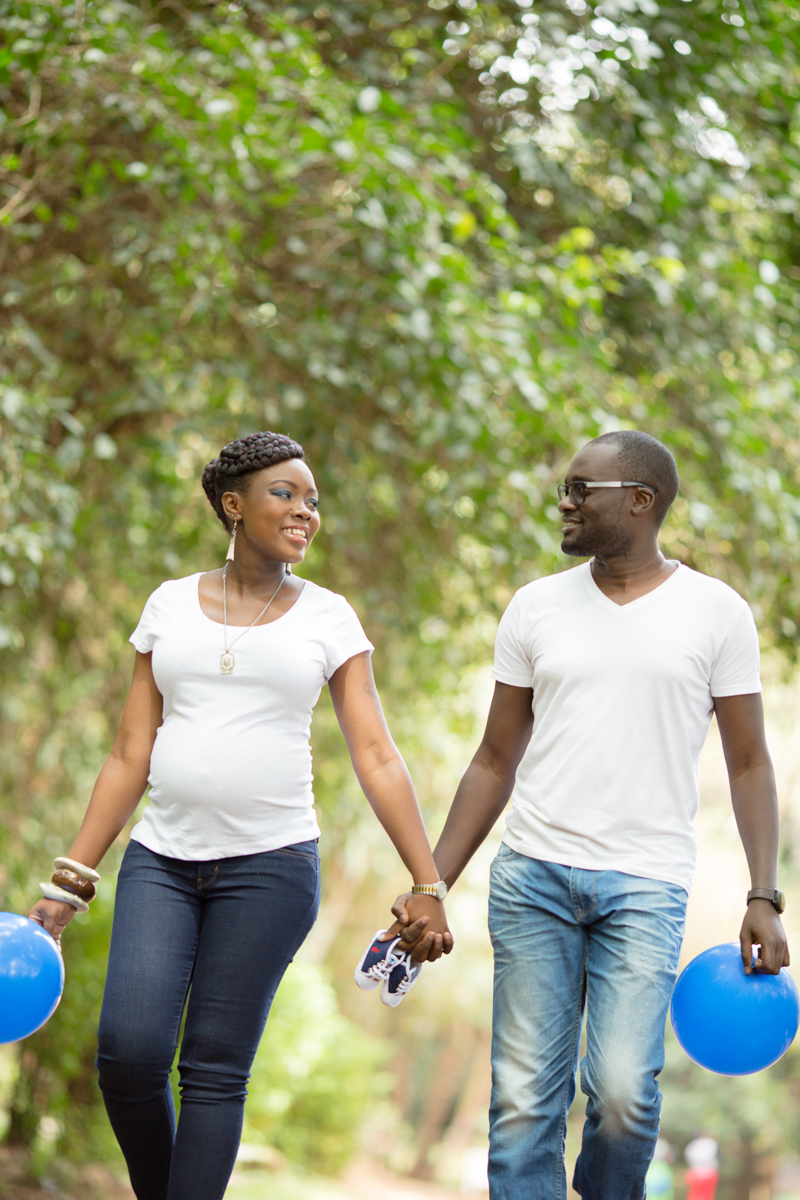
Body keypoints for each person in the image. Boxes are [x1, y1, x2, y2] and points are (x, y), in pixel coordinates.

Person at [28, 430, 452, 1200]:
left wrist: (429, 880)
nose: (305, 512)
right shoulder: (167, 604)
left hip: (272, 866)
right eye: (285, 494)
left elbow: (378, 756)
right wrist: (71, 877)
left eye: (313, 500)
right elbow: (130, 750)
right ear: (233, 505)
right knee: (127, 1055)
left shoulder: (329, 617)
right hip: (162, 858)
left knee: (213, 1070)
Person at [394, 430, 789, 1200]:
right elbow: (492, 760)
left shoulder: (717, 613)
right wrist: (430, 882)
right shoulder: (536, 606)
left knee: (622, 1096)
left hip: (645, 885)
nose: (565, 503)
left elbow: (749, 762)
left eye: (583, 489)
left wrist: (763, 894)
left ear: (640, 503)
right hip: (532, 875)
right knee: (521, 1103)